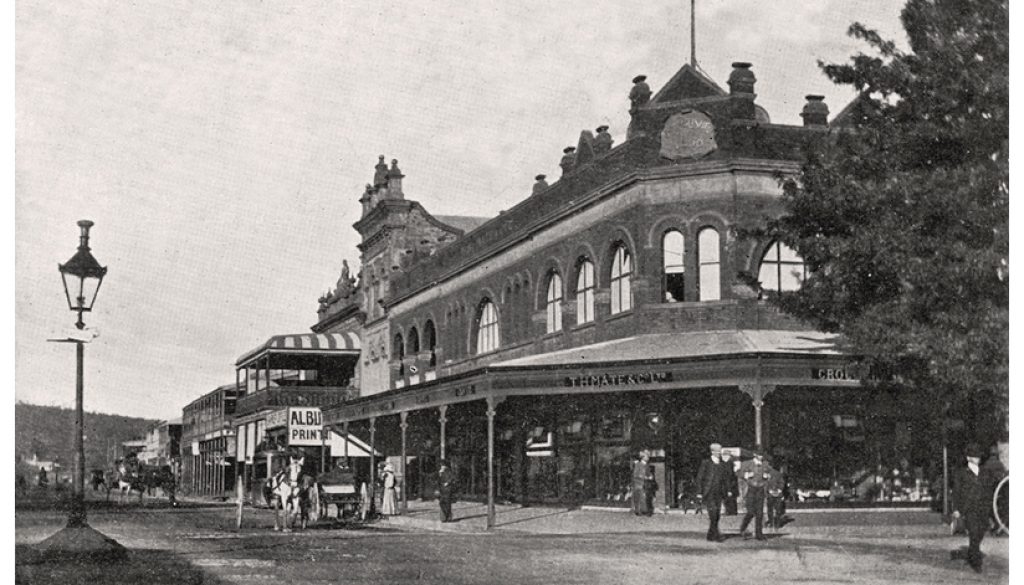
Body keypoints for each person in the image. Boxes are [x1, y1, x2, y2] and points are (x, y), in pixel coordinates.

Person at [950, 443, 997, 573]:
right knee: (974, 531)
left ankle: (972, 552)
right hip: (968, 508)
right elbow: (956, 491)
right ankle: (976, 562)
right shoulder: (961, 473)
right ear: (968, 458)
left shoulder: (984, 472)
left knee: (981, 531)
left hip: (983, 507)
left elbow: (990, 487)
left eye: (978, 456)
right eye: (975, 456)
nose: (978, 458)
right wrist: (956, 509)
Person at [695, 443, 730, 542]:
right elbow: (700, 478)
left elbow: (725, 479)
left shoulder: (722, 464)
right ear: (712, 452)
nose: (719, 453)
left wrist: (727, 490)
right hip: (709, 492)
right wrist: (699, 492)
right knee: (713, 513)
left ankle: (710, 535)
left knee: (717, 514)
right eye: (717, 451)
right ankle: (716, 535)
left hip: (719, 492)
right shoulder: (706, 463)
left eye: (720, 451)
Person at [737, 447, 774, 540]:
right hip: (750, 489)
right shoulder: (747, 463)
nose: (761, 457)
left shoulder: (766, 465)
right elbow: (739, 473)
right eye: (759, 455)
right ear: (754, 455)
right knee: (751, 511)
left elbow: (771, 474)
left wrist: (768, 476)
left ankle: (759, 533)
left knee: (760, 513)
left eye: (762, 455)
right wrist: (746, 475)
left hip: (760, 489)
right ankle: (743, 528)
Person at [632, 451, 653, 516]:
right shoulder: (638, 464)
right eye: (647, 456)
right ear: (643, 457)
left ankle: (644, 510)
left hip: (646, 484)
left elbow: (649, 474)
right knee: (639, 497)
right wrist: (646, 477)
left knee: (644, 497)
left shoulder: (647, 465)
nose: (648, 457)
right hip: (639, 484)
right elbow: (635, 475)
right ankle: (638, 511)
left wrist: (651, 476)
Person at [720, 450, 739, 516]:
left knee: (729, 499)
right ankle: (732, 511)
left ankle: (730, 512)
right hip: (729, 484)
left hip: (730, 484)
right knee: (729, 499)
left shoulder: (728, 464)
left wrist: (729, 488)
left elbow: (729, 476)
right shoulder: (728, 463)